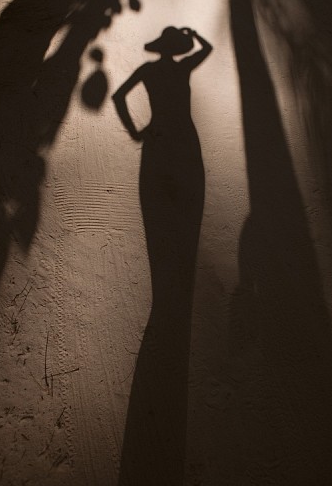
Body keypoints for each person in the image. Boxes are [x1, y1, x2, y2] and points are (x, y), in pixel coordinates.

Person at [113, 26, 212, 486]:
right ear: (179, 49)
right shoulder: (185, 66)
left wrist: (135, 129)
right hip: (185, 141)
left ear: (160, 49)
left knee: (157, 216)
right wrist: (194, 34)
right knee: (187, 213)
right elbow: (208, 48)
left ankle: (163, 279)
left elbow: (118, 96)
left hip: (155, 142)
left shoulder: (148, 71)